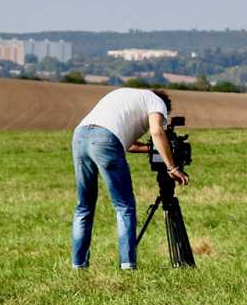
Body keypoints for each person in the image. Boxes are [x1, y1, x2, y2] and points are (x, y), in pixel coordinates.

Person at [71, 86, 190, 270]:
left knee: (84, 206)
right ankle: (127, 265)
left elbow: (125, 143)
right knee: (124, 206)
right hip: (106, 139)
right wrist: (172, 166)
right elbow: (157, 132)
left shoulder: (126, 95)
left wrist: (152, 149)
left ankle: (78, 265)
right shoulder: (157, 103)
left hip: (80, 136)